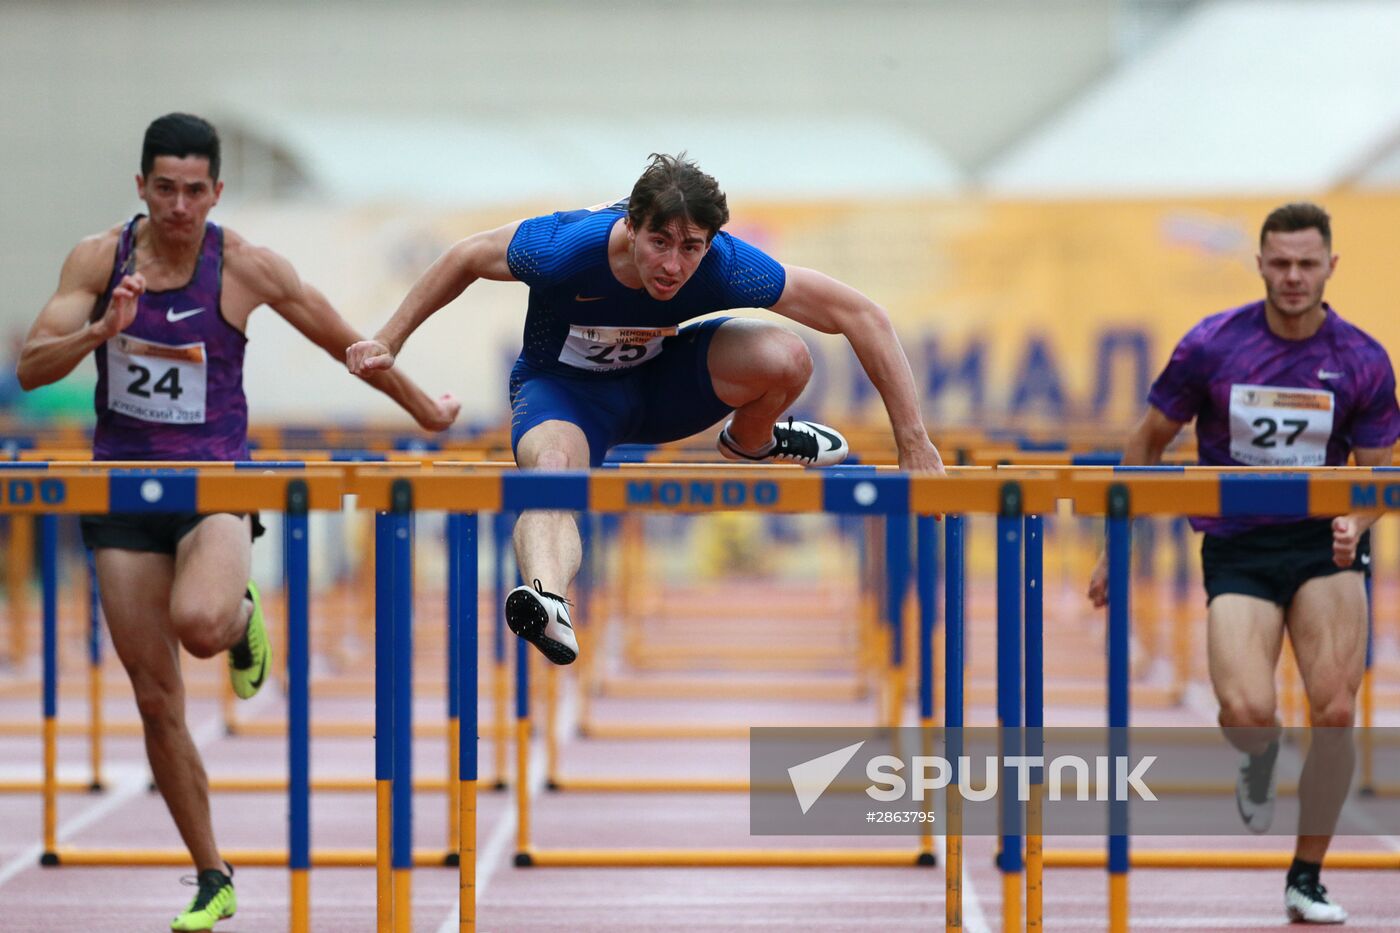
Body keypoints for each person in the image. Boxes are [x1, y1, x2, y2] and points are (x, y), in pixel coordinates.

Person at [16, 113, 460, 932]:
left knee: (202, 622)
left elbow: (347, 342)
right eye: (164, 189)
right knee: (156, 700)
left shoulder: (246, 266)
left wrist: (425, 407)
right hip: (121, 491)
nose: (180, 206)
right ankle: (211, 873)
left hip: (215, 481)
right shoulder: (97, 259)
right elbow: (30, 365)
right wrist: (99, 332)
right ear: (141, 187)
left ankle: (244, 616)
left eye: (195, 191)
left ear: (216, 192)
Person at [348, 152, 944, 666]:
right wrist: (390, 339)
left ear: (710, 243)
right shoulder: (563, 248)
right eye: (660, 242)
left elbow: (862, 315)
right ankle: (548, 599)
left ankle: (752, 439)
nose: (672, 266)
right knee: (552, 474)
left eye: (691, 248)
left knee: (786, 355)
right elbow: (464, 257)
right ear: (631, 228)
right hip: (565, 396)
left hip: (661, 387)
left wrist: (913, 442)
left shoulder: (726, 265)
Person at [1088, 202, 1399, 924]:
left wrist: (1362, 517)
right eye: (1281, 263)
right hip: (1238, 546)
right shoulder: (1211, 346)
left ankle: (1307, 875)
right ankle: (1258, 756)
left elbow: (1383, 472)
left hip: (1325, 545)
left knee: (1336, 709)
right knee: (1249, 709)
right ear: (1259, 263)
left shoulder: (1362, 358)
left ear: (1330, 267)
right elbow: (1145, 444)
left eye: (1307, 263)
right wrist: (1117, 543)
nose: (1293, 277)